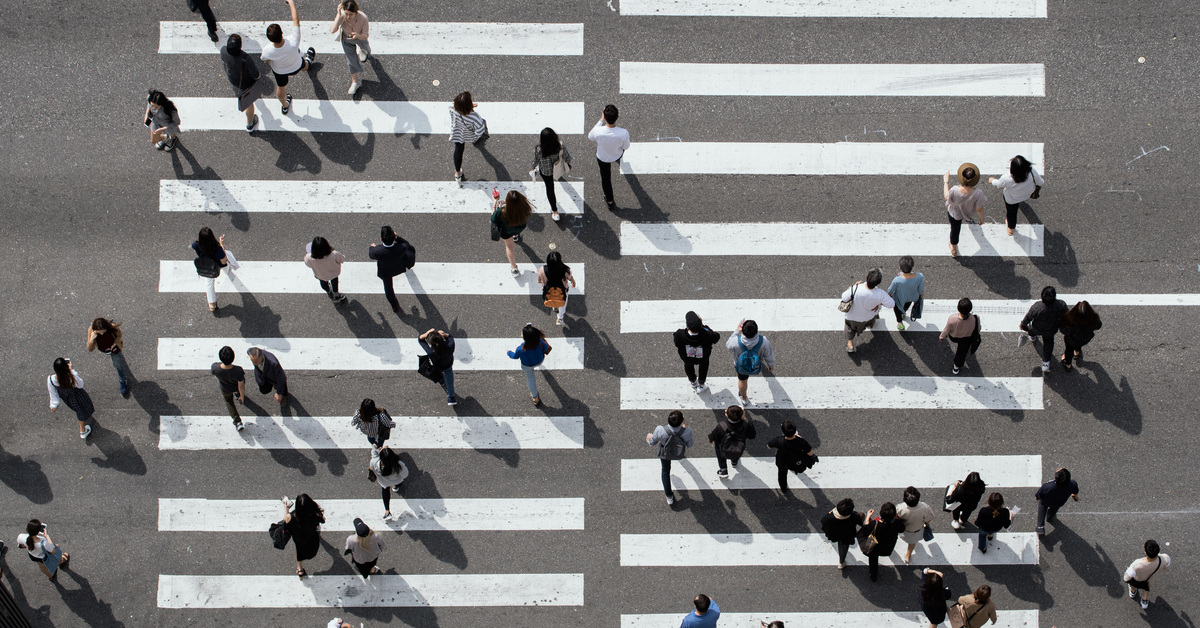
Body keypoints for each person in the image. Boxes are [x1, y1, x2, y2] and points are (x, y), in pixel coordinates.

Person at [261, 0, 316, 116]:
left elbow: (265, 60)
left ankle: (285, 106)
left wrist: (270, 60)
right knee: (304, 65)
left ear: (270, 39)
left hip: (280, 72)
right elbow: (296, 21)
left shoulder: (267, 50)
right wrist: (291, 3)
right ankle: (309, 60)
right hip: (296, 65)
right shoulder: (293, 41)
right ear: (282, 32)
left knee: (281, 87)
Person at [841, 268, 895, 353]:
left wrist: (854, 286)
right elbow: (891, 304)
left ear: (866, 278)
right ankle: (869, 325)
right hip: (869, 316)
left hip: (853, 317)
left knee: (849, 327)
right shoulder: (881, 294)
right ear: (878, 282)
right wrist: (879, 303)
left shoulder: (855, 288)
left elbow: (844, 297)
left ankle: (850, 344)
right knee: (871, 321)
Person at [587, 104, 631, 208]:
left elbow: (590, 137)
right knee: (619, 152)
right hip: (616, 155)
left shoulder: (598, 130)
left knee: (605, 178)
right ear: (617, 117)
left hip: (602, 157)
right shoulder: (623, 133)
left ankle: (610, 200)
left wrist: (600, 121)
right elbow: (626, 146)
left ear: (605, 117)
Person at [988, 155, 1044, 236]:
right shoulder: (1032, 171)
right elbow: (1040, 182)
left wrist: (992, 180)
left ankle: (1011, 229)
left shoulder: (1007, 178)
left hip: (1012, 199)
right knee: (1015, 208)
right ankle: (1011, 227)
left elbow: (999, 184)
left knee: (1011, 213)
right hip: (1026, 194)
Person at [646, 410, 693, 505]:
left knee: (665, 471)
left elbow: (652, 442)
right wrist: (684, 428)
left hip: (665, 454)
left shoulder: (660, 429)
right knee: (666, 471)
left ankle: (669, 497)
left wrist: (649, 437)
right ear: (682, 421)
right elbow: (690, 445)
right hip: (678, 453)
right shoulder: (687, 431)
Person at [725, 319, 775, 407]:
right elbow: (768, 355)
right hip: (756, 365)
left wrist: (737, 331)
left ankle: (744, 398)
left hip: (741, 367)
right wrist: (771, 365)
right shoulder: (763, 341)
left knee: (742, 380)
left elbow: (728, 346)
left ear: (743, 331)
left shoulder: (736, 341)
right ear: (756, 331)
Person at [1019, 285, 1069, 373]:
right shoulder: (1061, 305)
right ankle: (1046, 363)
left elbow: (1028, 317)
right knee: (1048, 344)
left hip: (1037, 328)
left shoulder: (1037, 306)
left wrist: (1023, 325)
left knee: (1031, 330)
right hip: (1051, 329)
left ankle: (1032, 337)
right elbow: (1067, 317)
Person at [368, 225, 416, 313]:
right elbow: (407, 244)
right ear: (394, 237)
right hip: (398, 268)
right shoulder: (401, 247)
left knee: (388, 288)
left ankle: (394, 306)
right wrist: (397, 238)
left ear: (381, 239)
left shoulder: (377, 251)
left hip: (386, 272)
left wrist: (372, 246)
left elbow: (371, 254)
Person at [219, 34, 261, 133]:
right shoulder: (246, 59)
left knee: (239, 91)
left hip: (232, 79)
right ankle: (250, 125)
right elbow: (256, 74)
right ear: (240, 46)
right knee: (249, 103)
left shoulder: (223, 51)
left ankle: (250, 124)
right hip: (246, 83)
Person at [943, 163, 987, 257]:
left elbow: (947, 197)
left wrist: (946, 182)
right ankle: (967, 219)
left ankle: (954, 249)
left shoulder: (955, 190)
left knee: (955, 230)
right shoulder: (978, 193)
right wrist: (982, 219)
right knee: (965, 218)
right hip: (968, 212)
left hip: (955, 214)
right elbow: (979, 208)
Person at [191, 226, 239, 312]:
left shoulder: (196, 245)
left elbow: (194, 247)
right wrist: (222, 244)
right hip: (218, 265)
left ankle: (212, 304)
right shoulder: (217, 249)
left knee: (209, 283)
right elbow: (224, 261)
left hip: (207, 265)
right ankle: (228, 272)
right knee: (226, 267)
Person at [530, 127, 573, 220]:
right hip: (557, 168)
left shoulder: (539, 149)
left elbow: (536, 160)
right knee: (556, 176)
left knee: (550, 188)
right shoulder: (560, 146)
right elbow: (566, 155)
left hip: (546, 172)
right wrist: (569, 163)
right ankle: (558, 177)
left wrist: (533, 166)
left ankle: (555, 211)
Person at [47, 358, 95, 440]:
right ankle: (83, 431)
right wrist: (72, 370)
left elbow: (53, 394)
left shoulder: (51, 379)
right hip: (78, 396)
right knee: (81, 412)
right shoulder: (71, 377)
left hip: (68, 399)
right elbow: (80, 385)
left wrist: (54, 405)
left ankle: (83, 427)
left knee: (78, 409)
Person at [329, 0, 370, 95]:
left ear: (356, 12)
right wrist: (339, 15)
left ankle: (362, 50)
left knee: (367, 52)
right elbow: (332, 30)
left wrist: (357, 36)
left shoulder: (363, 18)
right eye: (346, 14)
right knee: (351, 60)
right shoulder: (342, 15)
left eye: (350, 14)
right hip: (347, 39)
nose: (348, 17)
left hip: (359, 37)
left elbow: (365, 35)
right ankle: (354, 82)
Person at [674, 311, 721, 393]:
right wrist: (704, 327)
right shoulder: (708, 334)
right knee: (704, 366)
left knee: (688, 366)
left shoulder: (679, 334)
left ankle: (693, 381)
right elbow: (716, 337)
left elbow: (677, 343)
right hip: (703, 357)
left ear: (688, 327)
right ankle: (701, 384)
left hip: (687, 358)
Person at [507, 323, 552, 405]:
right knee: (534, 373)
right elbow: (546, 348)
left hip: (527, 365)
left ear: (524, 338)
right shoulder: (540, 342)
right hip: (539, 361)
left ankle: (535, 397)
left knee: (531, 380)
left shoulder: (520, 349)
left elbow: (514, 356)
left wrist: (508, 352)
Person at [282, 494, 325, 578]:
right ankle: (300, 569)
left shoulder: (292, 517)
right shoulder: (314, 514)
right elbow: (323, 520)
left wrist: (286, 509)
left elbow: (285, 525)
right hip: (312, 540)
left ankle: (300, 569)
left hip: (299, 540)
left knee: (298, 550)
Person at [492, 190, 533, 277]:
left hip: (506, 231)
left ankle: (514, 269)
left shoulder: (501, 212)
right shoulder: (524, 207)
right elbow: (515, 206)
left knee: (509, 247)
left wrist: (495, 204)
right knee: (515, 231)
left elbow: (493, 218)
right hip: (519, 228)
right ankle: (515, 236)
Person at [707, 405, 756, 479]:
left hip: (723, 446)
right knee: (735, 451)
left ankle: (723, 469)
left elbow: (712, 437)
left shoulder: (722, 426)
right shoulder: (747, 424)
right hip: (738, 446)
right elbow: (752, 436)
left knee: (720, 451)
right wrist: (745, 419)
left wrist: (710, 440)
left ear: (727, 416)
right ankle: (734, 462)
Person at [766, 420, 814, 493]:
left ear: (783, 432)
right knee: (795, 466)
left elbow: (768, 446)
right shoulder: (801, 441)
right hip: (795, 461)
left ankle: (784, 488)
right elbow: (810, 453)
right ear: (795, 432)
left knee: (782, 475)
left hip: (782, 462)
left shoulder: (778, 440)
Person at [861, 502, 905, 582]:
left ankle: (873, 576)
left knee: (873, 560)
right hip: (888, 547)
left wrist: (867, 518)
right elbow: (902, 529)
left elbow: (865, 531)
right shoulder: (897, 524)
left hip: (874, 547)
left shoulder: (874, 524)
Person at [450, 91, 487, 183]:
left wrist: (467, 106)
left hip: (457, 133)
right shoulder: (474, 116)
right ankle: (476, 142)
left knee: (458, 151)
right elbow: (479, 130)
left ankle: (457, 174)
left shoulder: (451, 109)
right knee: (482, 128)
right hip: (469, 135)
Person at [86, 318, 128, 395]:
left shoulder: (112, 327)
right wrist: (91, 339)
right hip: (104, 348)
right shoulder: (91, 330)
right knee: (118, 362)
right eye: (99, 333)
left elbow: (119, 335)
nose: (102, 334)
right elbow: (90, 349)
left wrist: (115, 343)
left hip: (114, 348)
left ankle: (122, 380)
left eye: (103, 332)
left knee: (118, 365)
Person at [1125, 539, 1171, 611]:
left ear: (1145, 552)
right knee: (1147, 586)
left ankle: (1133, 592)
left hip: (1138, 580)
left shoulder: (1137, 564)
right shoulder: (1165, 558)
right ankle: (1144, 601)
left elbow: (1126, 578)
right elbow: (1167, 567)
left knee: (1133, 585)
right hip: (1150, 580)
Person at [820, 498, 865, 569]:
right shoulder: (854, 516)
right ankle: (841, 562)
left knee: (839, 544)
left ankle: (842, 562)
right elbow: (860, 522)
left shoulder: (829, 517)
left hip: (834, 534)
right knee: (844, 548)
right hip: (846, 535)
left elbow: (823, 522)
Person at [939, 297, 980, 374]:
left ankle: (956, 367)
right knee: (962, 352)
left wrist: (942, 336)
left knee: (961, 349)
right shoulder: (975, 318)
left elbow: (947, 329)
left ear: (958, 308)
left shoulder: (952, 319)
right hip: (967, 338)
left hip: (955, 337)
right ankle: (956, 367)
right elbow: (978, 329)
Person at [897, 486, 936, 564]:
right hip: (916, 530)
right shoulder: (924, 507)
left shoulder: (900, 508)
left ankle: (907, 556)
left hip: (904, 530)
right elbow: (930, 518)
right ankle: (908, 555)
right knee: (912, 543)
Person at [1034, 467, 1079, 534]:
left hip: (1047, 501)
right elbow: (1075, 493)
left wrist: (1037, 498)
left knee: (1042, 504)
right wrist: (1075, 496)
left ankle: (1040, 526)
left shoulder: (1047, 486)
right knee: (1054, 509)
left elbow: (1037, 496)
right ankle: (1049, 517)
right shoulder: (1072, 484)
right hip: (1060, 502)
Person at [418, 328, 458, 405]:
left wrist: (426, 334)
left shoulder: (431, 352)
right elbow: (450, 337)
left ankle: (441, 380)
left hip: (437, 366)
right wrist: (444, 334)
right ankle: (451, 397)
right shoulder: (450, 347)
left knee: (438, 373)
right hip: (448, 365)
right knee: (449, 381)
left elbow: (420, 340)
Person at [1060, 301, 1102, 371]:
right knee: (1078, 345)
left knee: (1069, 351)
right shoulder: (1093, 319)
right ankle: (1077, 351)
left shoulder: (1073, 322)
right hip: (1086, 338)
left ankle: (1068, 364)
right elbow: (1099, 326)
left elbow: (1064, 331)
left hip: (1072, 340)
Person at [211, 346, 245, 431]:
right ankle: (237, 395)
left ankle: (237, 422)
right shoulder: (238, 370)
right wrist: (242, 396)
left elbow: (213, 373)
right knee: (237, 391)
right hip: (236, 387)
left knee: (229, 401)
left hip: (225, 388)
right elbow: (241, 385)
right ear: (233, 358)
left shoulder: (215, 368)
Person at [537, 251, 576, 326]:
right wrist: (573, 282)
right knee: (562, 303)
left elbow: (539, 279)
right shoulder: (564, 270)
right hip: (562, 291)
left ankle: (554, 306)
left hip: (548, 290)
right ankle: (560, 317)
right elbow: (570, 278)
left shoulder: (542, 269)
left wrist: (539, 281)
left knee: (552, 297)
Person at [305, 236, 348, 303]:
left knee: (323, 282)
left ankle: (329, 291)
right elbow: (342, 259)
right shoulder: (334, 255)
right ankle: (336, 294)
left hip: (320, 274)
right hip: (333, 273)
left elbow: (308, 264)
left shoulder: (309, 257)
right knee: (334, 281)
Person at [886, 256, 925, 331]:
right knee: (907, 304)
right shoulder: (920, 277)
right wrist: (921, 294)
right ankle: (903, 313)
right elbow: (921, 288)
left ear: (900, 268)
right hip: (912, 296)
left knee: (897, 307)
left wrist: (889, 294)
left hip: (899, 297)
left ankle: (900, 322)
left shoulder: (897, 280)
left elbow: (890, 290)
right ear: (912, 266)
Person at [370, 445, 409, 519]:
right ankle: (395, 487)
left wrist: (374, 449)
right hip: (397, 480)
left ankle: (387, 511)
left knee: (385, 491)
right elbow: (405, 475)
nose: (384, 446)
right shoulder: (398, 465)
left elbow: (374, 459)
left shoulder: (374, 463)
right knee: (398, 483)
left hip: (384, 482)